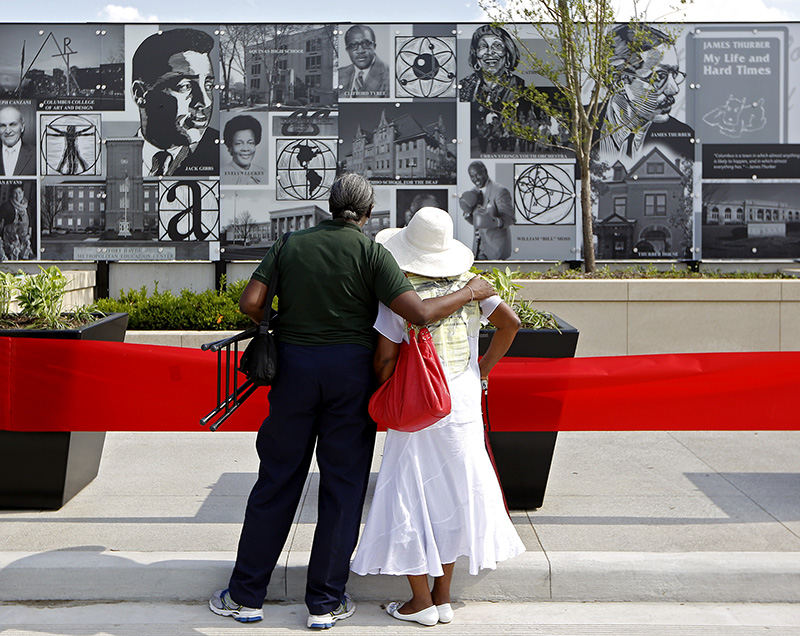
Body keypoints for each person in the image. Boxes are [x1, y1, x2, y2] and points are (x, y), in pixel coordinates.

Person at [208, 173, 495, 629]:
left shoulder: (289, 244)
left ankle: (245, 596)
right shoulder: (371, 252)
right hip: (350, 379)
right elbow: (418, 313)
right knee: (342, 489)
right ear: (366, 213)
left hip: (295, 373)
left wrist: (280, 320)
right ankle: (324, 603)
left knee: (277, 479)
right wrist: (471, 292)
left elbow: (251, 302)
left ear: (328, 205)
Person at [350, 206, 525, 626]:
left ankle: (419, 602)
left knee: (409, 493)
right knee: (451, 492)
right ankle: (443, 597)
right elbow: (511, 323)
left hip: (418, 403)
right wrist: (481, 370)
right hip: (461, 399)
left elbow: (386, 359)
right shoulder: (472, 285)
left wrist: (385, 387)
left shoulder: (400, 290)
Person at [597, 24, 693, 161]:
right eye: (659, 76)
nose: (674, 90)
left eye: (675, 74)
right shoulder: (574, 127)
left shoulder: (685, 140)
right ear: (618, 80)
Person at [131, 28, 219, 177]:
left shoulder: (221, 154)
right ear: (140, 93)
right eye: (185, 86)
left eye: (208, 86)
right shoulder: (115, 157)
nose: (205, 102)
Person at [459, 25, 529, 154]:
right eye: (483, 46)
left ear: (507, 55)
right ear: (476, 55)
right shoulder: (464, 86)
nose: (489, 52)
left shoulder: (519, 85)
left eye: (497, 46)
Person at [459, 161, 515, 260]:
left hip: (496, 248)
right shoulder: (474, 192)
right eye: (472, 176)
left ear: (484, 172)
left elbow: (510, 218)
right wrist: (467, 214)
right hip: (479, 248)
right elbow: (479, 223)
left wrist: (495, 222)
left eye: (477, 175)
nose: (475, 179)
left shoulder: (500, 191)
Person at [339, 25, 389, 98]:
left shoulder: (389, 77)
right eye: (353, 45)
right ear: (347, 50)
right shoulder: (340, 74)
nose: (360, 51)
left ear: (374, 46)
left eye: (366, 44)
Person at [221, 115, 266, 185]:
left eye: (250, 143)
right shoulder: (221, 175)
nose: (245, 149)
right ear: (230, 147)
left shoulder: (265, 174)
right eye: (239, 143)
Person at [0, 185, 33, 261]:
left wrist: (29, 235)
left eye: (19, 192)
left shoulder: (27, 207)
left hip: (24, 239)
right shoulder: (6, 207)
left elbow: (30, 223)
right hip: (10, 241)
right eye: (15, 193)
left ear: (23, 193)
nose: (18, 196)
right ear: (12, 194)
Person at [0, 106, 35, 176]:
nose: (8, 131)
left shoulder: (36, 154)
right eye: (3, 126)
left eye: (13, 125)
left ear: (22, 127)